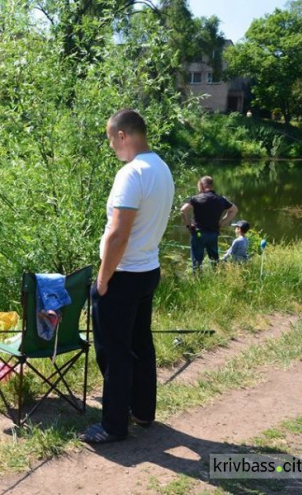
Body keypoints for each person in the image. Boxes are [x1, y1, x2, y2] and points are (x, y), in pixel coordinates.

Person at [82, 109, 174, 444]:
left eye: (111, 141)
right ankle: (143, 412)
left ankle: (113, 425)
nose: (112, 148)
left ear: (122, 135)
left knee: (114, 351)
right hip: (148, 269)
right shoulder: (161, 168)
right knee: (140, 344)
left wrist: (103, 279)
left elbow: (118, 235)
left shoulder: (131, 173)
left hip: (123, 275)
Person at [180, 176, 238, 270]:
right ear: (211, 185)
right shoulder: (221, 199)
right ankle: (215, 278)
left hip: (198, 233)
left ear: (202, 185)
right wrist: (222, 222)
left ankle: (198, 281)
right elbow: (234, 210)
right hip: (213, 234)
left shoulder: (196, 198)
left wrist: (188, 225)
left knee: (197, 261)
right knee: (214, 260)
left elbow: (183, 210)